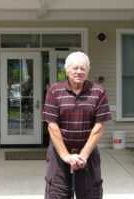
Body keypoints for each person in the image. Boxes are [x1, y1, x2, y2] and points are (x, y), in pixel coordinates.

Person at [43, 51, 111, 199]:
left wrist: (83, 156)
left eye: (83, 68)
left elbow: (99, 127)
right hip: (59, 153)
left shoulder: (98, 91)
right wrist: (66, 156)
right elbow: (52, 126)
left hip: (88, 153)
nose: (79, 72)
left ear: (87, 71)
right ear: (67, 70)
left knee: (91, 194)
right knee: (57, 194)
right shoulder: (55, 90)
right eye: (75, 68)